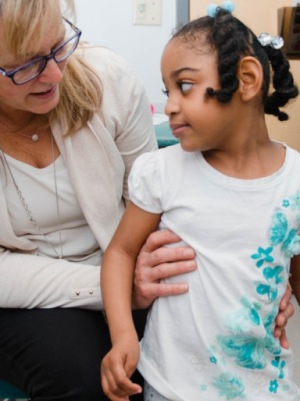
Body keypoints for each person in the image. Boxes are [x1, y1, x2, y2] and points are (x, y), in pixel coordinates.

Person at [0, 0, 209, 400]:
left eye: (58, 46)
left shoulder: (108, 80)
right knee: (81, 373)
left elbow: (150, 205)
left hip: (124, 267)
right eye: (27, 64)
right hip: (22, 294)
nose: (55, 74)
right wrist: (115, 288)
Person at [100, 2, 300, 401]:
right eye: (167, 90)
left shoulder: (294, 180)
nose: (171, 104)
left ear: (246, 79)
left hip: (267, 388)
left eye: (185, 86)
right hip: (171, 385)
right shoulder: (162, 172)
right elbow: (120, 253)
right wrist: (123, 337)